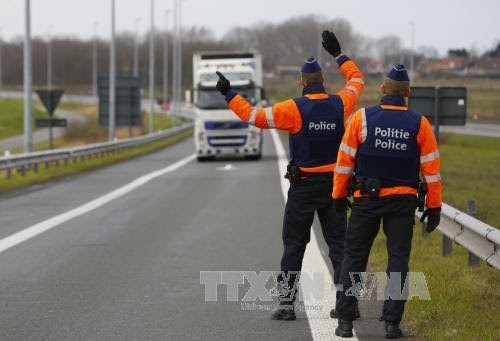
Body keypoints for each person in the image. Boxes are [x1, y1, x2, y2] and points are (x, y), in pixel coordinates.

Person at [215, 30, 364, 320]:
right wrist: (339, 55)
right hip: (336, 186)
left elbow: (255, 117)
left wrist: (229, 93)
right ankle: (350, 305)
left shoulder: (292, 109)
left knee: (294, 246)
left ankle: (286, 306)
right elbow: (357, 81)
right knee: (341, 247)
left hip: (303, 187)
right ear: (322, 80)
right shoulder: (341, 103)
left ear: (302, 83)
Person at [332, 64, 442, 338]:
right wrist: (434, 205)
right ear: (408, 93)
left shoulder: (362, 118)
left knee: (354, 258)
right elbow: (431, 170)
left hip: (365, 202)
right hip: (402, 204)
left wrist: (338, 195)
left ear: (382, 90)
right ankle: (392, 325)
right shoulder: (420, 124)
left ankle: (345, 322)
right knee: (398, 262)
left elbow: (344, 161)